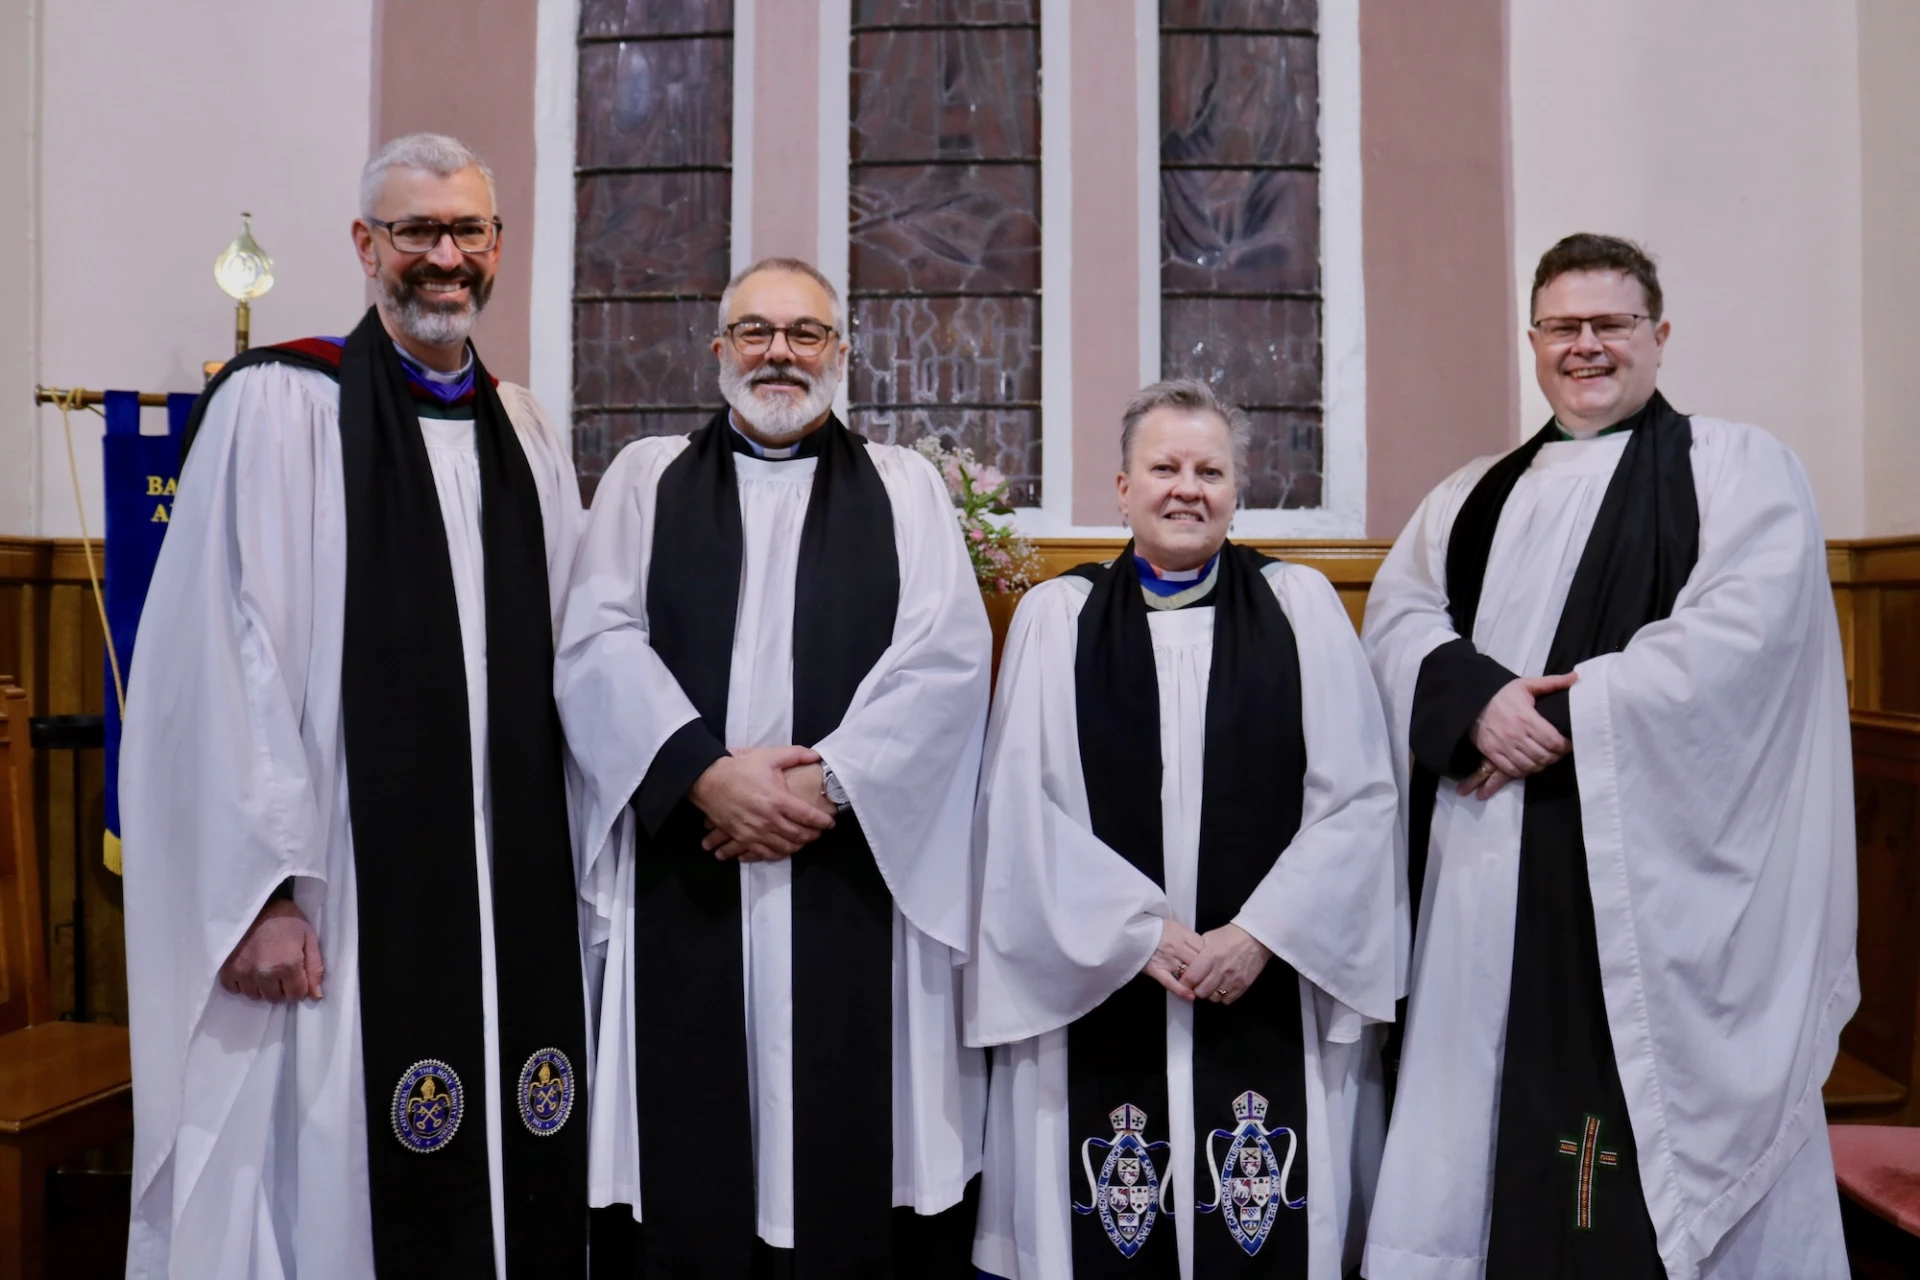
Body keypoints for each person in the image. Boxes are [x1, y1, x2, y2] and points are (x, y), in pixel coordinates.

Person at [122, 133, 589, 1278]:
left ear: (495, 245)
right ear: (364, 244)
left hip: (506, 897)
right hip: (343, 888)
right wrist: (265, 891)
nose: (445, 257)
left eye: (467, 231)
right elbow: (227, 661)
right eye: (417, 231)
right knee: (336, 1182)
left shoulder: (526, 433)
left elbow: (580, 660)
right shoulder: (283, 406)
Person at [1360, 234, 1855, 1279]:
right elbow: (1398, 621)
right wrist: (1472, 701)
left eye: (1611, 325)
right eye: (1563, 327)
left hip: (1651, 880)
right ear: (1532, 342)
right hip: (1484, 867)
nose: (1585, 346)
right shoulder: (1469, 496)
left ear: (1659, 336)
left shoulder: (1735, 466)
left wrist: (1570, 713)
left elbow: (1747, 636)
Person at [555, 256, 991, 1277]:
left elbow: (945, 659)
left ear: (841, 354)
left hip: (845, 855)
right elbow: (597, 643)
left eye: (805, 333)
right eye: (756, 331)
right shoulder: (646, 476)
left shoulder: (906, 487)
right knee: (689, 1153)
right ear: (718, 352)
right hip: (688, 855)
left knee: (841, 1150)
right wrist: (700, 772)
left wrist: (826, 780)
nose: (780, 353)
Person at [967, 378, 1402, 1278]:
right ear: (1122, 489)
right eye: (1163, 467)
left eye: (1210, 470)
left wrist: (1261, 933)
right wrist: (1133, 935)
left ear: (1238, 490)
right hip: (1107, 982)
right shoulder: (1062, 618)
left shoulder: (1301, 609)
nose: (1187, 488)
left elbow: (1357, 798)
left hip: (1265, 979)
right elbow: (1019, 809)